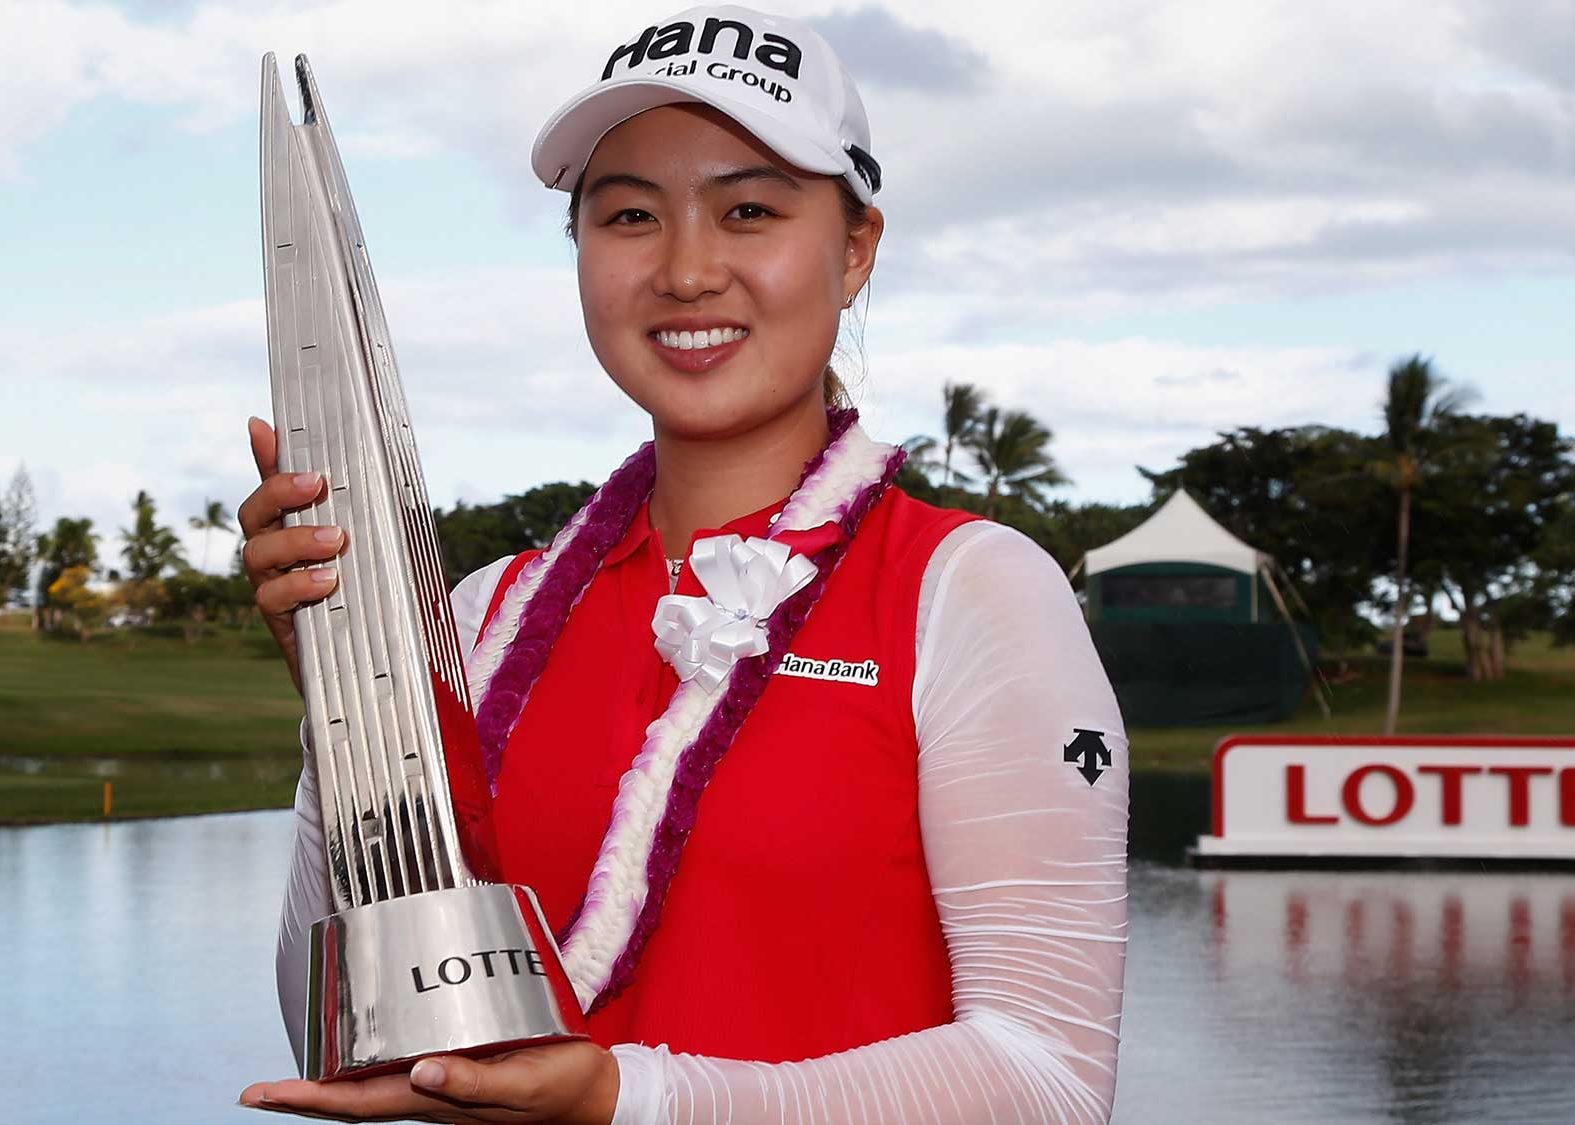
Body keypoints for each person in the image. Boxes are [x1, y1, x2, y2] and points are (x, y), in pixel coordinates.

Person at [236, 6, 1128, 1122]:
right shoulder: (482, 613)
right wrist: (343, 702)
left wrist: (627, 1098)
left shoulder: (969, 591)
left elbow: (1047, 1083)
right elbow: (359, 1036)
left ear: (855, 250)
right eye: (628, 217)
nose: (686, 270)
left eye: (747, 209)